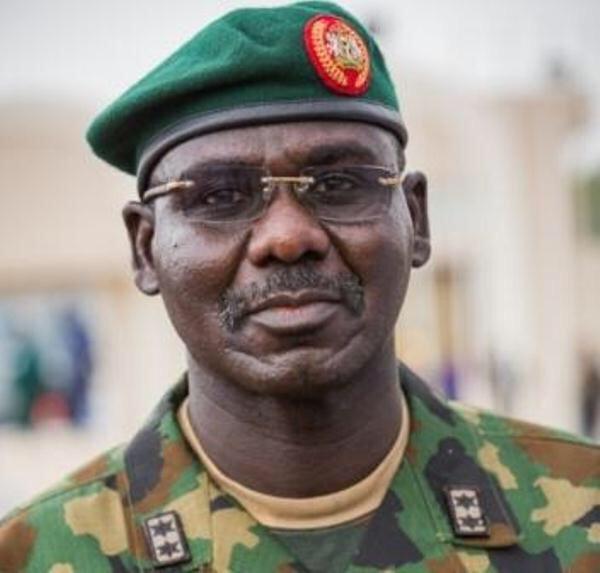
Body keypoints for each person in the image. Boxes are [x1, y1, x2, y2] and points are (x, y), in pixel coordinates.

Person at [1, 2, 598, 572]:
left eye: (340, 183)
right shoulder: (34, 555)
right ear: (145, 248)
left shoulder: (582, 509)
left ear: (416, 219)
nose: (287, 237)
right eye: (220, 195)